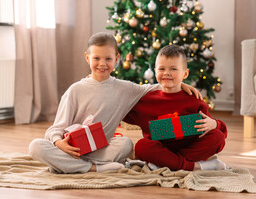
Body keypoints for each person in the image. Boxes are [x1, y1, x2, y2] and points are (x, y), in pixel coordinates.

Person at [29, 32, 201, 174]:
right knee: (35, 147)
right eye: (96, 58)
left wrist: (180, 83)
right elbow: (55, 129)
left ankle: (69, 166)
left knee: (126, 144)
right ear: (87, 58)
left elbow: (154, 86)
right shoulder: (75, 90)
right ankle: (93, 168)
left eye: (108, 59)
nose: (102, 64)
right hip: (72, 149)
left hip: (101, 150)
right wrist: (60, 143)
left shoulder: (125, 88)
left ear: (117, 59)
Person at [123, 45, 227, 171]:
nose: (167, 73)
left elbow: (221, 131)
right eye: (162, 68)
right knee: (142, 146)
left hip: (189, 148)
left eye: (173, 69)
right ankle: (194, 166)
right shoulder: (145, 100)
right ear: (155, 71)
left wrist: (215, 124)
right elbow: (119, 110)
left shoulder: (194, 99)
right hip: (159, 148)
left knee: (218, 137)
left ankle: (168, 163)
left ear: (185, 74)